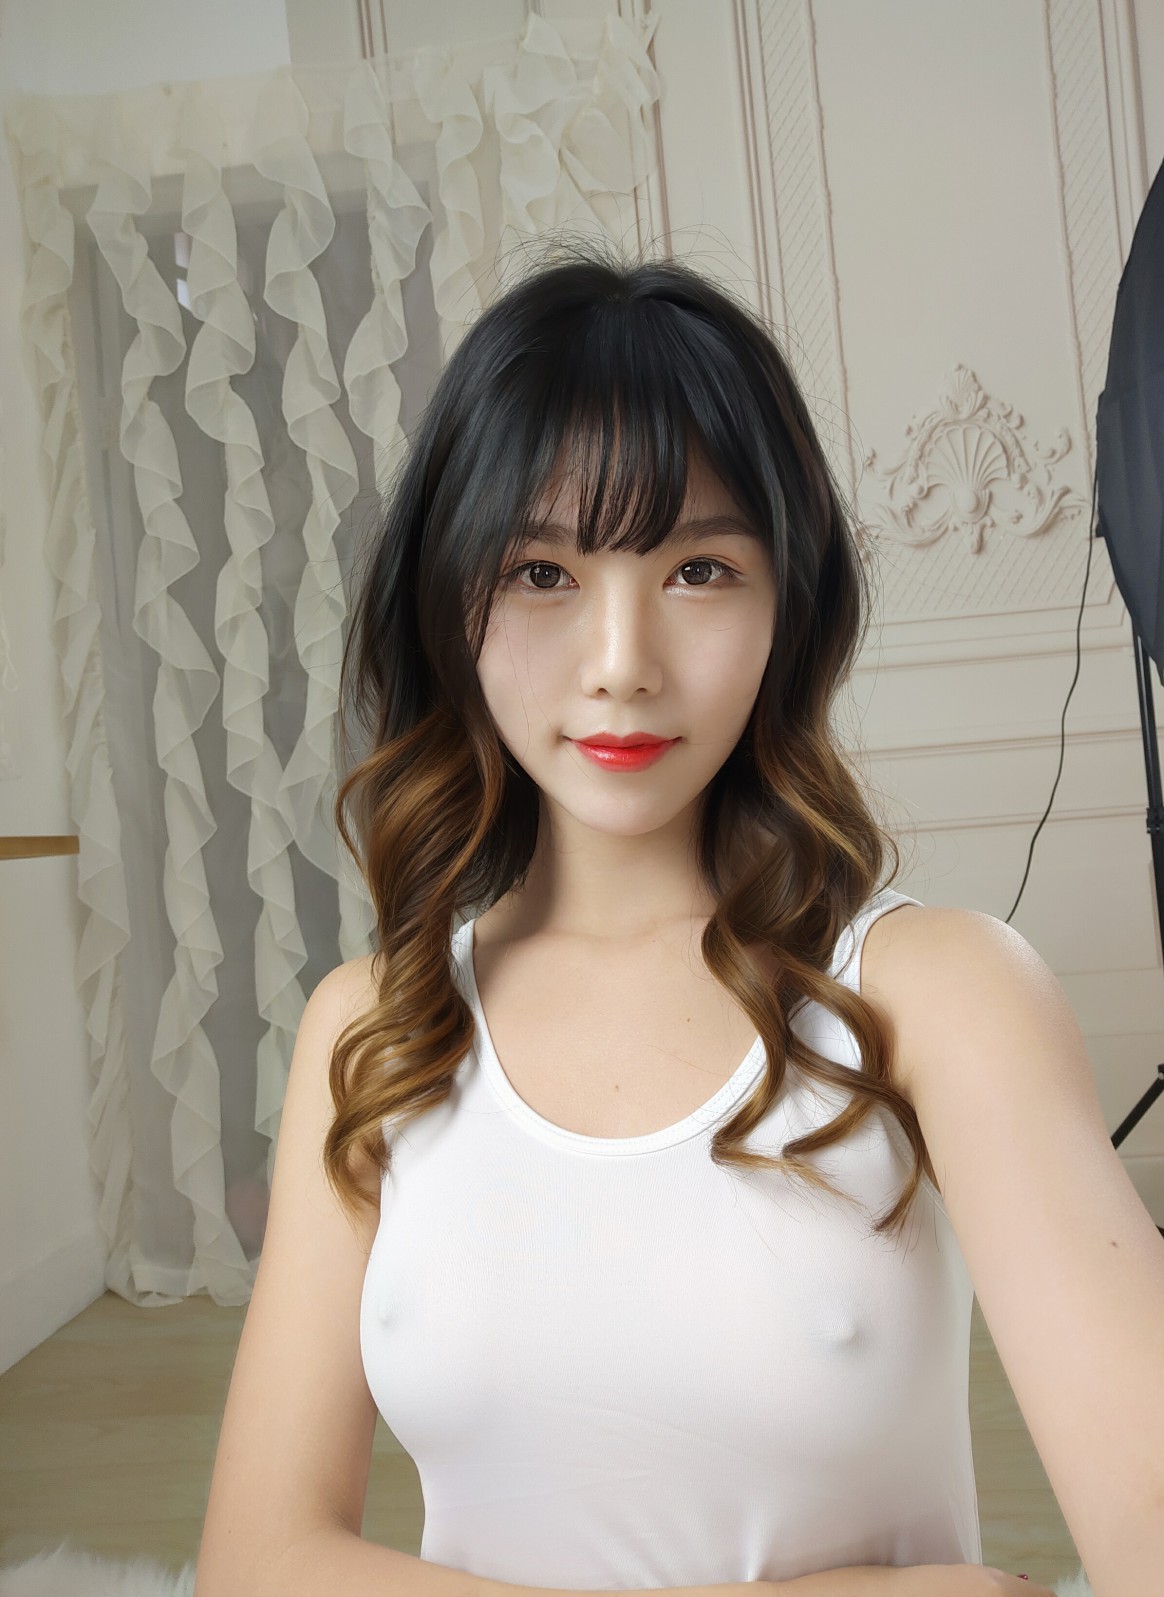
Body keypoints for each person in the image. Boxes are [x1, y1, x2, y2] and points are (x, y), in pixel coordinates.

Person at [195, 242, 1064, 1597]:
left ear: (790, 604)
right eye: (542, 573)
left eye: (699, 570)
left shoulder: (931, 992)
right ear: (450, 604)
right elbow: (257, 1562)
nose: (621, 666)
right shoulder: (373, 1027)